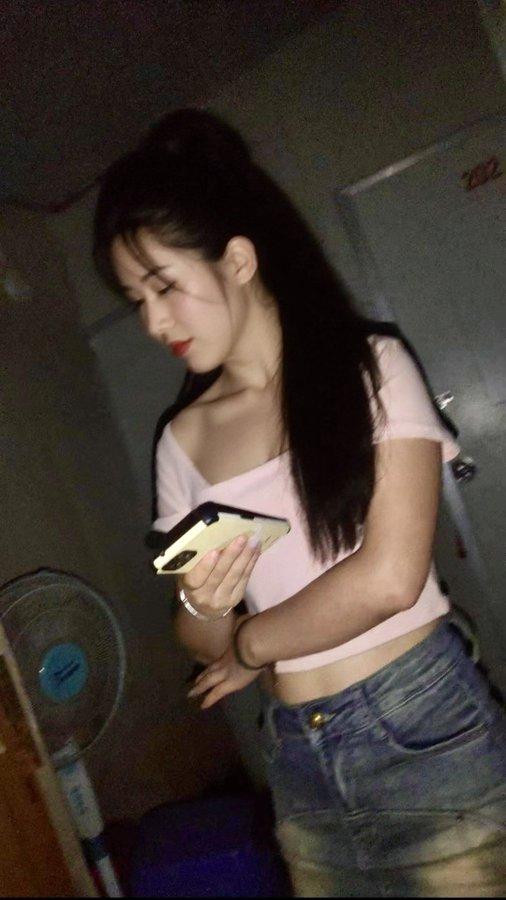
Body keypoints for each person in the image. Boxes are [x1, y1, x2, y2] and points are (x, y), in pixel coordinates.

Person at [93, 108, 506, 897]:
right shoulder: (181, 438)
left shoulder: (371, 366)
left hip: (419, 728)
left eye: (164, 286)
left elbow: (389, 579)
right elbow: (199, 634)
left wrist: (251, 644)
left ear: (238, 259)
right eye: (135, 298)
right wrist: (208, 605)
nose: (152, 321)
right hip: (295, 756)